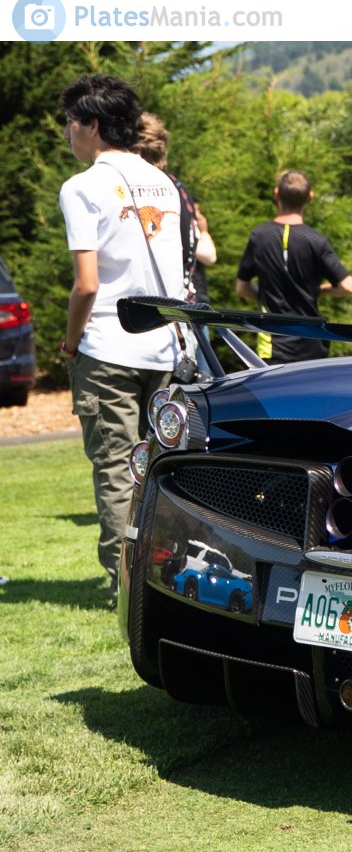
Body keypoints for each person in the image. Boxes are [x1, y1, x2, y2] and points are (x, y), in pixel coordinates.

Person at [58, 74, 183, 604]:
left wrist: (68, 343)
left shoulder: (81, 186)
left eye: (70, 122)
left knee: (116, 465)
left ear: (91, 124)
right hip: (165, 343)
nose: (67, 132)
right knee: (160, 466)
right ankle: (167, 574)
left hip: (108, 344)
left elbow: (88, 284)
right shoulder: (163, 182)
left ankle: (126, 584)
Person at [235, 170, 352, 363]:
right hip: (312, 344)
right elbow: (348, 286)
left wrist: (265, 297)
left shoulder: (260, 237)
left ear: (276, 194)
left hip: (273, 346)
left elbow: (242, 288)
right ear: (310, 197)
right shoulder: (316, 241)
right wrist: (321, 290)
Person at [134, 112, 217, 303]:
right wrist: (202, 231)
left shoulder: (141, 191)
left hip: (156, 305)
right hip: (188, 301)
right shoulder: (177, 188)